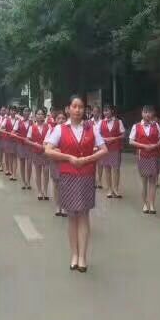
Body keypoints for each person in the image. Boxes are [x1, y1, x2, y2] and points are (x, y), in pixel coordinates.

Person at [44, 95, 109, 272]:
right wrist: (68, 157)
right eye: (74, 106)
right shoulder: (60, 129)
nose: (77, 110)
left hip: (86, 176)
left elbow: (104, 149)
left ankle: (82, 257)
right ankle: (74, 254)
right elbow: (48, 149)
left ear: (84, 110)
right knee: (72, 216)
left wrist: (88, 159)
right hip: (68, 176)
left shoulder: (91, 128)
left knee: (84, 215)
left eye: (80, 107)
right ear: (68, 109)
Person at [128, 105, 160, 214]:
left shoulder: (156, 125)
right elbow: (131, 141)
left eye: (149, 112)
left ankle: (152, 204)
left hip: (154, 156)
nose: (147, 114)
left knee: (153, 181)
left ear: (153, 114)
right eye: (145, 112)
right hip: (142, 156)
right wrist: (143, 146)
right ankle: (144, 204)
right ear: (142, 113)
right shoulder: (136, 126)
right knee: (144, 182)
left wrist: (155, 145)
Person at [99, 105, 125, 198]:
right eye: (104, 111)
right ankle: (109, 189)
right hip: (105, 148)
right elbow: (98, 135)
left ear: (112, 111)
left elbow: (123, 135)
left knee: (116, 168)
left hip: (115, 148)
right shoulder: (101, 122)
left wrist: (114, 138)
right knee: (107, 168)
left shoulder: (118, 121)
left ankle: (116, 189)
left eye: (107, 110)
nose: (105, 112)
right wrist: (104, 139)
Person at [27, 108, 51, 200]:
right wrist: (34, 144)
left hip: (45, 152)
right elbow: (27, 140)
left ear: (44, 116)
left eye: (42, 114)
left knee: (46, 172)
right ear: (35, 116)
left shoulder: (48, 126)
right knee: (38, 172)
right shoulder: (32, 127)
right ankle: (39, 191)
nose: (40, 116)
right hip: (36, 152)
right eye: (38, 114)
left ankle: (45, 191)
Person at [49, 111, 68, 217]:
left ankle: (65, 206)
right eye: (58, 118)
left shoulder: (70, 131)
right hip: (55, 161)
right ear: (55, 120)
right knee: (56, 184)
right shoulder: (51, 130)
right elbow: (45, 144)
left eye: (63, 118)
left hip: (66, 161)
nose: (61, 120)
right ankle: (58, 205)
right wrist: (54, 149)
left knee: (65, 184)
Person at [14, 107, 33, 189]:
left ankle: (28, 181)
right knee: (22, 163)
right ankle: (23, 181)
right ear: (23, 112)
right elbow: (13, 132)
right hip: (21, 145)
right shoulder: (18, 122)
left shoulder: (32, 122)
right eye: (25, 111)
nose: (26, 112)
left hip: (29, 145)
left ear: (29, 113)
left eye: (28, 111)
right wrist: (16, 134)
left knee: (29, 164)